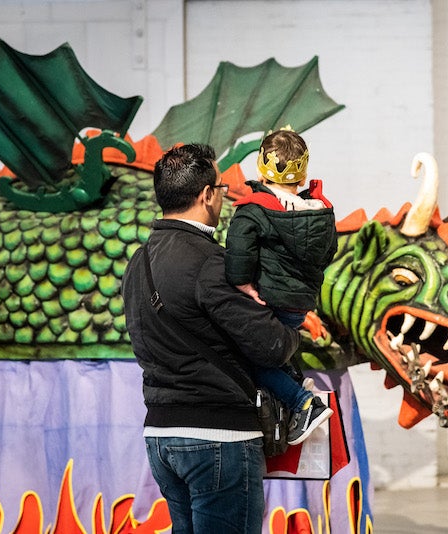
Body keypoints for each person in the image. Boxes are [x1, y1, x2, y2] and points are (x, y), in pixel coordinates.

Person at [122, 143, 300, 534]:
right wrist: (291, 322)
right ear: (206, 195)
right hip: (218, 437)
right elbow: (271, 345)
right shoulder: (209, 261)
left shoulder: (139, 261)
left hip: (160, 435)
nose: (222, 196)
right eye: (220, 188)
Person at [225, 128, 338, 446]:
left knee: (250, 362)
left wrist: (243, 285)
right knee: (272, 355)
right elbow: (328, 253)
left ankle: (304, 403)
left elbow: (238, 256)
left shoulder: (253, 210)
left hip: (268, 301)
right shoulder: (320, 212)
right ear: (302, 175)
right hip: (299, 307)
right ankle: (295, 385)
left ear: (261, 167)